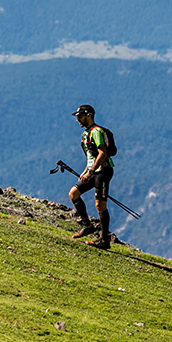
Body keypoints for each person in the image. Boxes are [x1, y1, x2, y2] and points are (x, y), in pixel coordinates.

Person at [68, 104, 114, 250]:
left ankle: (104, 240)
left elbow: (102, 154)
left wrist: (90, 172)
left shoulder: (96, 132)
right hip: (93, 171)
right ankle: (87, 226)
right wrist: (85, 170)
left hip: (103, 171)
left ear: (88, 115)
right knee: (73, 194)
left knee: (100, 206)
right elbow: (90, 156)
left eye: (79, 116)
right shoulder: (86, 133)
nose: (77, 120)